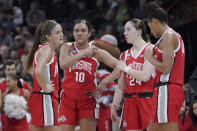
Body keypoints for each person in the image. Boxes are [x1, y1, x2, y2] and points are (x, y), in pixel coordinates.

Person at [58, 19, 118, 131]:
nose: (79, 33)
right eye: (76, 30)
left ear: (89, 33)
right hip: (68, 99)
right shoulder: (67, 47)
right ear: (73, 33)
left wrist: (104, 83)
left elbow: (120, 67)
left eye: (83, 30)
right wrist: (83, 53)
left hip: (88, 100)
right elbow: (63, 64)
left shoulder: (97, 52)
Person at [144, 2, 185, 131]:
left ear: (154, 21)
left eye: (149, 26)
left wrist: (151, 59)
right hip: (164, 90)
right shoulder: (165, 38)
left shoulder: (169, 36)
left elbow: (166, 68)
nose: (150, 30)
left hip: (167, 89)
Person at [111, 18, 155, 131]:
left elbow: (145, 76)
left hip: (147, 99)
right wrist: (114, 106)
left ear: (139, 31)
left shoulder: (150, 49)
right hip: (129, 101)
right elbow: (121, 86)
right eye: (124, 30)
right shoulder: (124, 55)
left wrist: (126, 68)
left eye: (128, 29)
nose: (124, 33)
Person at [23, 20, 63, 131]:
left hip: (40, 98)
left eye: (61, 31)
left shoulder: (47, 50)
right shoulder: (47, 49)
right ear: (48, 36)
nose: (62, 35)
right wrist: (45, 87)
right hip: (44, 98)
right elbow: (38, 71)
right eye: (57, 32)